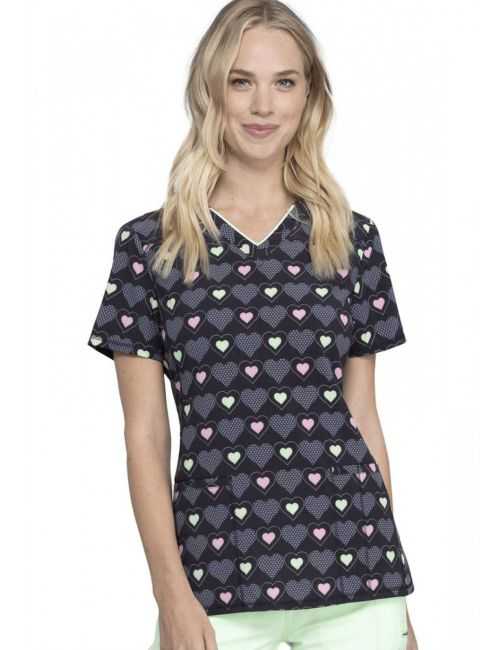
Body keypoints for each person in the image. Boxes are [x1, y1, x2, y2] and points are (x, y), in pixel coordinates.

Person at [87, 1, 418, 648]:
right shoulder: (153, 245)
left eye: (284, 82)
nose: (263, 105)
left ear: (309, 96)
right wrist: (170, 595)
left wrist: (397, 598)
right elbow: (145, 436)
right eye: (242, 81)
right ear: (211, 91)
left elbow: (363, 419)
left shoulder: (351, 239)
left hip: (359, 575)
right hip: (216, 581)